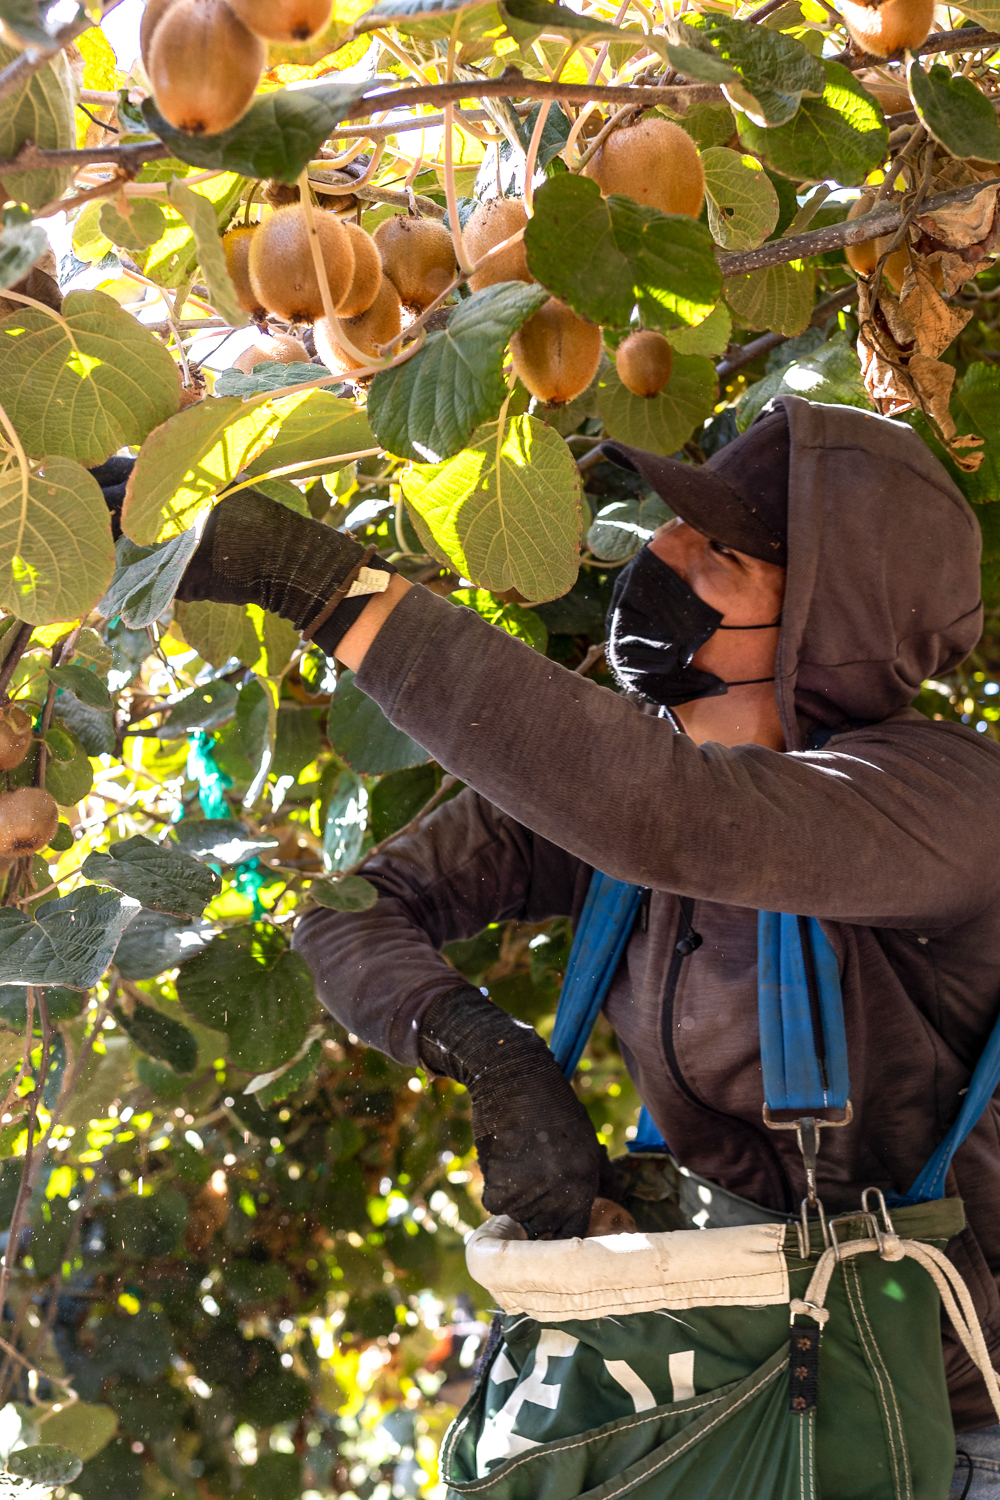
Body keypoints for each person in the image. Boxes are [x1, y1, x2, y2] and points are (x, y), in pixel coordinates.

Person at [173, 394, 1000, 1487]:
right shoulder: (631, 787)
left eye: (718, 553)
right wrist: (485, 1051)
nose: (659, 548)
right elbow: (350, 901)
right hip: (744, 1387)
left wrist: (322, 588)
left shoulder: (944, 800)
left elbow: (667, 816)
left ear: (825, 623)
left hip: (937, 1440)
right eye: (673, 523)